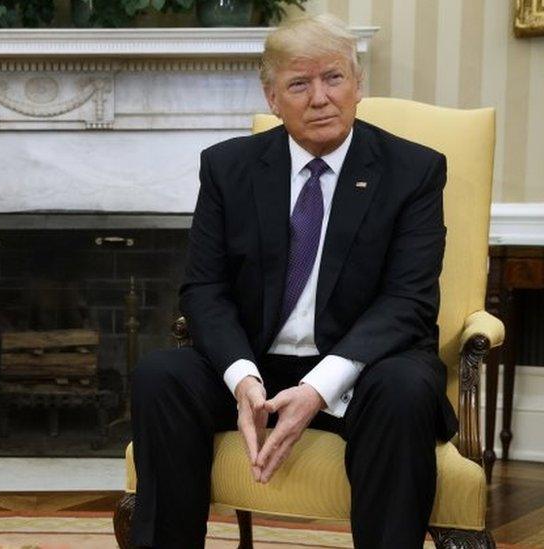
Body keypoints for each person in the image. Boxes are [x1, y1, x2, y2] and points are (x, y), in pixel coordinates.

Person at [130, 14, 457, 549]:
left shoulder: (413, 171)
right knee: (162, 375)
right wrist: (242, 379)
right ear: (272, 96)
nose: (320, 98)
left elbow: (409, 300)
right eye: (299, 84)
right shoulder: (227, 168)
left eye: (334, 78)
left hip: (365, 367)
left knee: (404, 389)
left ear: (358, 85)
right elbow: (204, 290)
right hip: (259, 361)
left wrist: (319, 389)